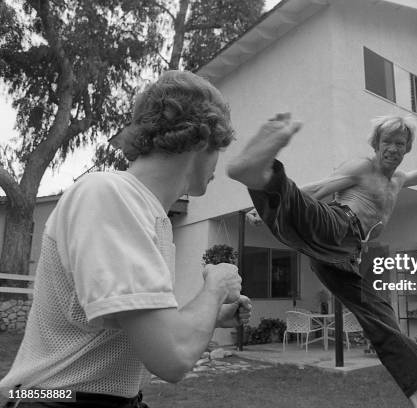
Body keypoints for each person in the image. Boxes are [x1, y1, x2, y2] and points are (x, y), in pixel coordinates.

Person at [0, 71, 252, 408]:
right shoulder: (109, 196)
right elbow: (172, 358)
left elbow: (145, 329)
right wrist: (216, 286)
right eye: (221, 148)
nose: (217, 165)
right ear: (204, 139)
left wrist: (209, 315)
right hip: (51, 398)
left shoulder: (149, 217)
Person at [227, 113, 417, 408]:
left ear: (407, 148)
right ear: (377, 144)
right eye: (387, 142)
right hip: (341, 224)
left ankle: (416, 396)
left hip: (346, 258)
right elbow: (318, 190)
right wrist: (267, 212)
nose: (392, 148)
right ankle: (263, 177)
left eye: (399, 143)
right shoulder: (363, 168)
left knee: (380, 315)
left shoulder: (400, 179)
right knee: (316, 216)